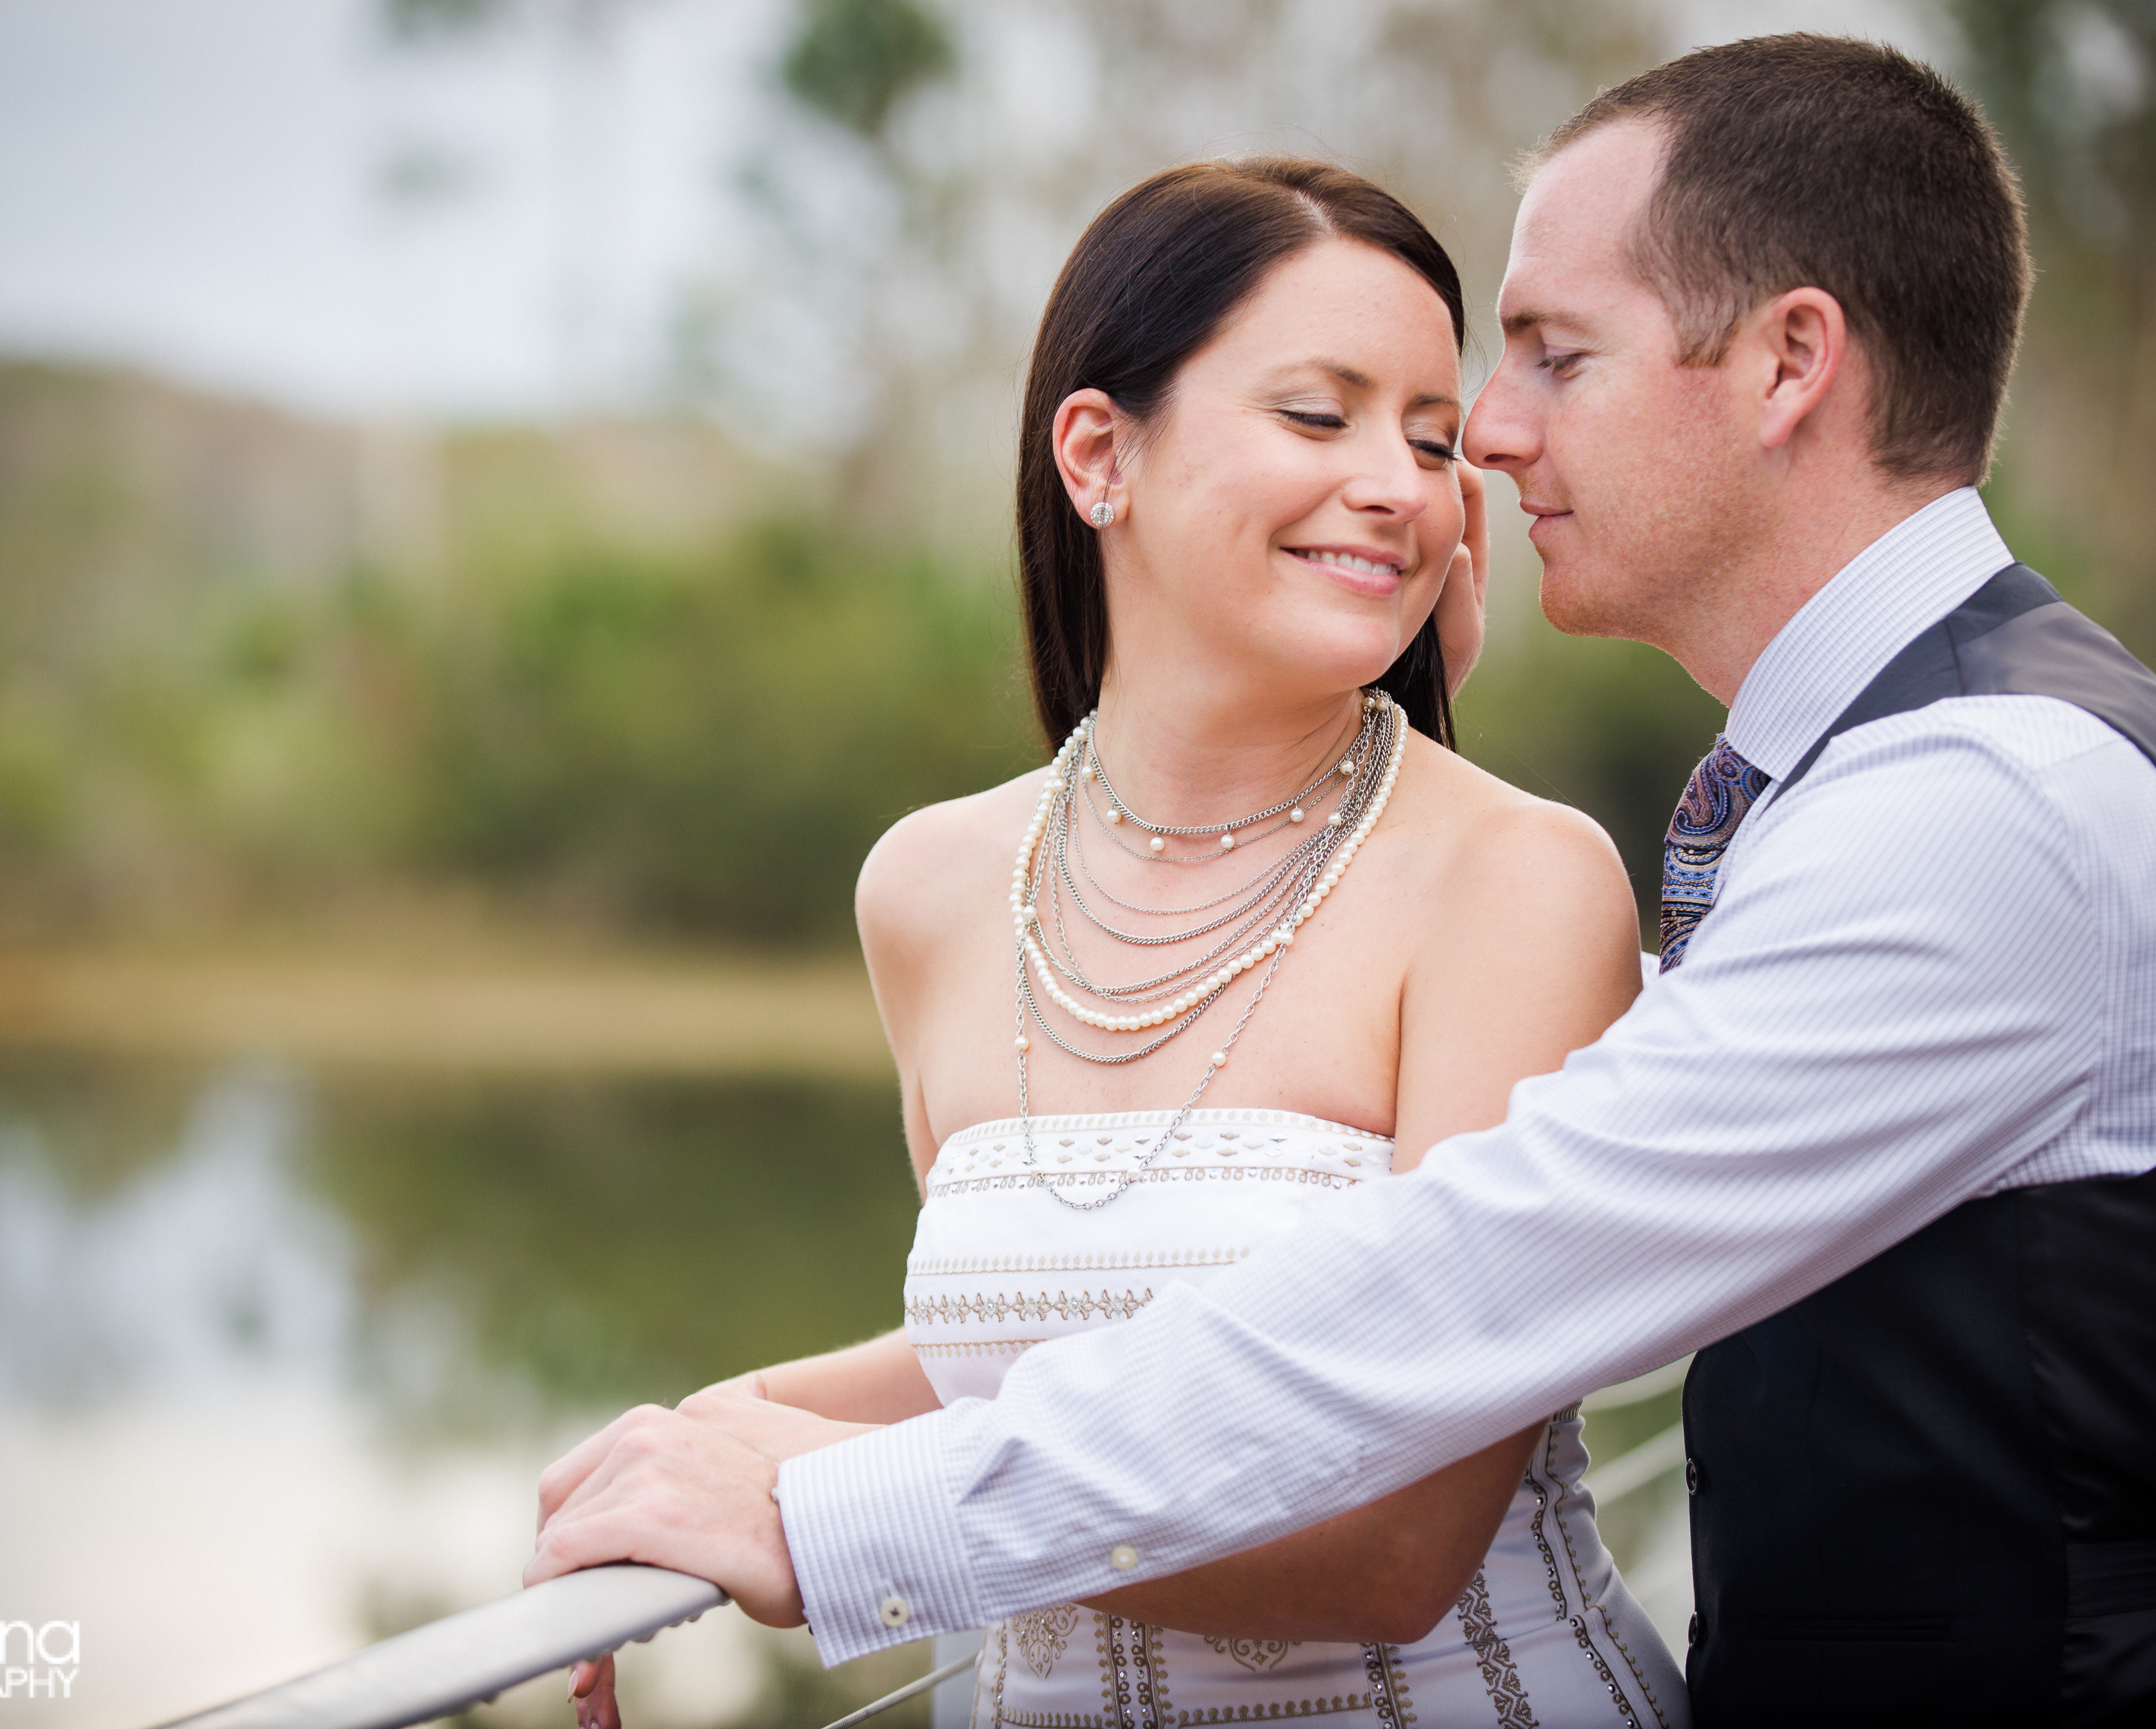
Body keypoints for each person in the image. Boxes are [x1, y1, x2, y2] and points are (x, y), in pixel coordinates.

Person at [530, 35, 2156, 1726]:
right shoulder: (1909, 768)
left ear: (1791, 363)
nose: (1480, 436)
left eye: (1553, 352)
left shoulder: (1977, 804)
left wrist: (831, 1521)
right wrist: (721, 1432)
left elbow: (1469, 1282)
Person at [546, 156, 1687, 1728]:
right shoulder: (932, 884)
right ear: (1098, 455)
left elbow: (1398, 1539)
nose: (1401, 484)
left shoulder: (1518, 882)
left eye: (1430, 439)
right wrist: (693, 1444)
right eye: (1319, 414)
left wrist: (824, 1508)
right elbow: (1021, 1335)